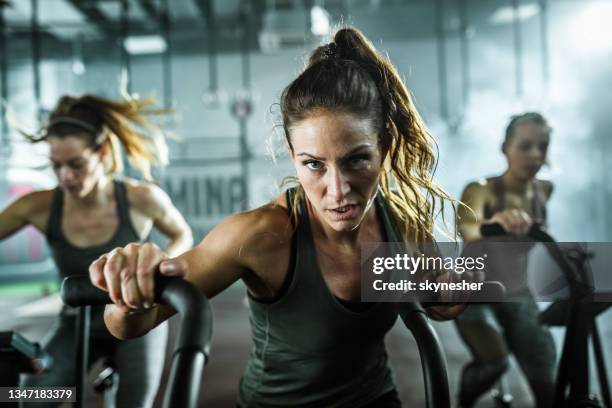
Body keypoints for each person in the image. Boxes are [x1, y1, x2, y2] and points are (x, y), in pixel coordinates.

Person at [88, 27, 465, 407]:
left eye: (356, 160)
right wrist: (130, 286)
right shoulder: (262, 236)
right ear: (291, 153)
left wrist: (454, 291)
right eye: (314, 164)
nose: (337, 190)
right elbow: (127, 325)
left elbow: (443, 294)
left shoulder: (402, 223)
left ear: (384, 146)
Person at [0, 94, 193, 407]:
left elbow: (182, 233)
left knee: (134, 404)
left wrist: (164, 262)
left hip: (136, 318)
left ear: (102, 153)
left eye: (76, 164)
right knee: (31, 397)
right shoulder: (40, 206)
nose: (66, 176)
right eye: (57, 166)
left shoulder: (141, 198)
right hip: (77, 323)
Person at [455, 112, 557, 407]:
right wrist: (495, 221)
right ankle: (463, 401)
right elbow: (467, 227)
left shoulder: (544, 189)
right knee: (494, 362)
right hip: (476, 294)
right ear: (505, 148)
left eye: (543, 146)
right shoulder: (480, 189)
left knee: (547, 376)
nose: (535, 155)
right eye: (525, 146)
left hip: (518, 293)